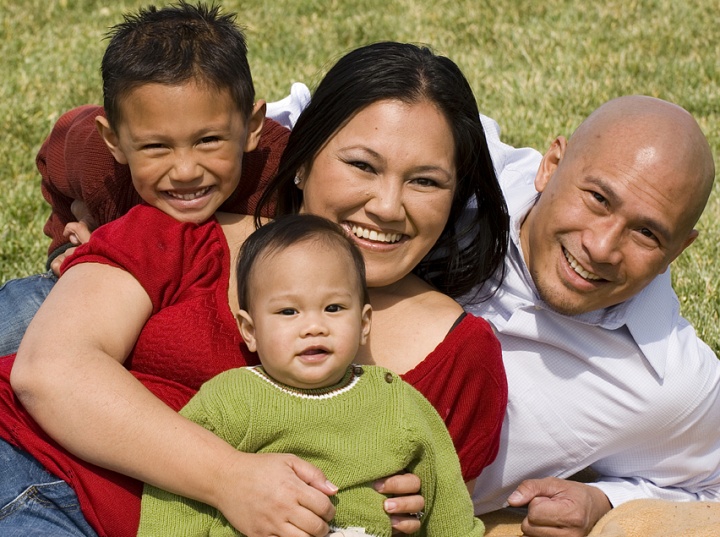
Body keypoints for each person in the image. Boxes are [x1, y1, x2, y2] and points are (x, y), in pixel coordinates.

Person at [1, 37, 508, 537]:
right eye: (361, 166)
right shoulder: (185, 234)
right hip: (34, 473)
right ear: (304, 161)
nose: (387, 206)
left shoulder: (462, 359)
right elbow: (51, 370)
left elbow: (449, 515)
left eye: (425, 181)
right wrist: (229, 478)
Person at [463, 95, 720, 537]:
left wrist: (604, 500)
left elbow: (711, 490)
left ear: (677, 251)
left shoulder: (673, 384)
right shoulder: (458, 172)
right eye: (598, 198)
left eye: (646, 232)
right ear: (551, 165)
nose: (601, 247)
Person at [137, 213, 485, 537]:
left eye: (333, 308)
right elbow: (175, 497)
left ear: (364, 323)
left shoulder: (396, 400)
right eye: (288, 311)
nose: (314, 327)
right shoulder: (230, 398)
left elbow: (445, 493)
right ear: (250, 330)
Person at [0, 0, 293, 357]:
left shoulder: (281, 169)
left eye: (209, 140)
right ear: (115, 141)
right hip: (105, 287)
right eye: (156, 146)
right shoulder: (97, 162)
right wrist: (66, 246)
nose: (185, 171)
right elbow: (54, 158)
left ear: (251, 128)